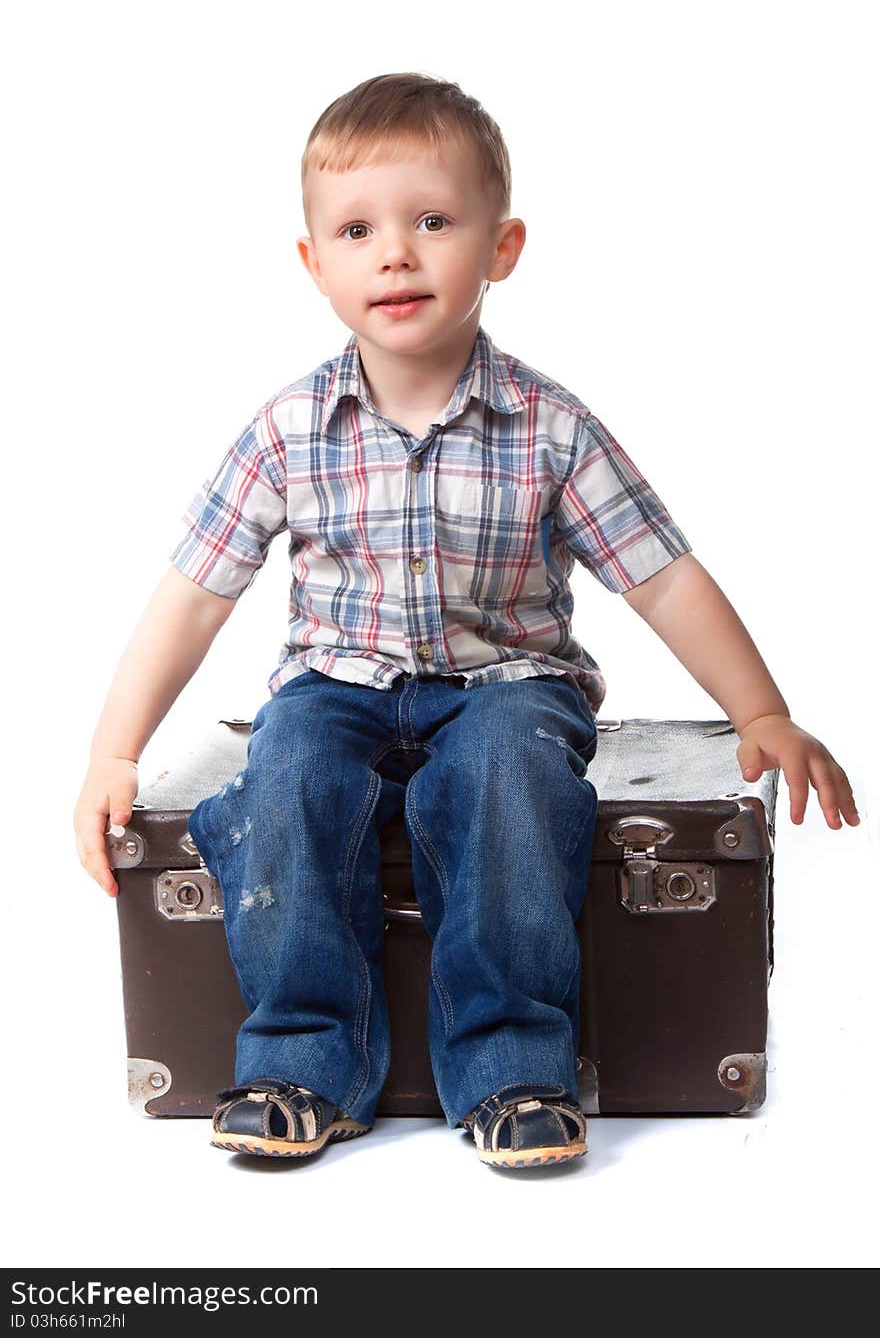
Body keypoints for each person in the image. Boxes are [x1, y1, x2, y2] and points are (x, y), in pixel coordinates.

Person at [74, 72, 859, 1170]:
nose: (394, 253)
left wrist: (761, 710)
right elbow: (194, 593)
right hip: (334, 688)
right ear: (315, 264)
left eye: (432, 221)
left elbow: (662, 577)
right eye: (357, 229)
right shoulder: (289, 427)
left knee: (501, 780)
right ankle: (304, 1058)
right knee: (290, 773)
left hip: (507, 686)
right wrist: (117, 748)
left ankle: (510, 1070)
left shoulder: (548, 423)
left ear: (502, 246)